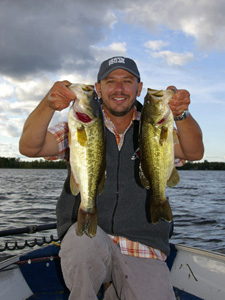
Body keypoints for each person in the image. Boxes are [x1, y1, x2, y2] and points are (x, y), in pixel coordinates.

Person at [19, 56, 204, 300]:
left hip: (144, 246)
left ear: (139, 88)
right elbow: (30, 148)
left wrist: (181, 114)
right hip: (92, 238)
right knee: (80, 245)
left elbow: (194, 153)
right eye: (110, 81)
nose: (119, 89)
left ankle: (112, 289)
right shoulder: (77, 125)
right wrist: (48, 105)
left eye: (127, 81)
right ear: (98, 88)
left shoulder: (155, 125)